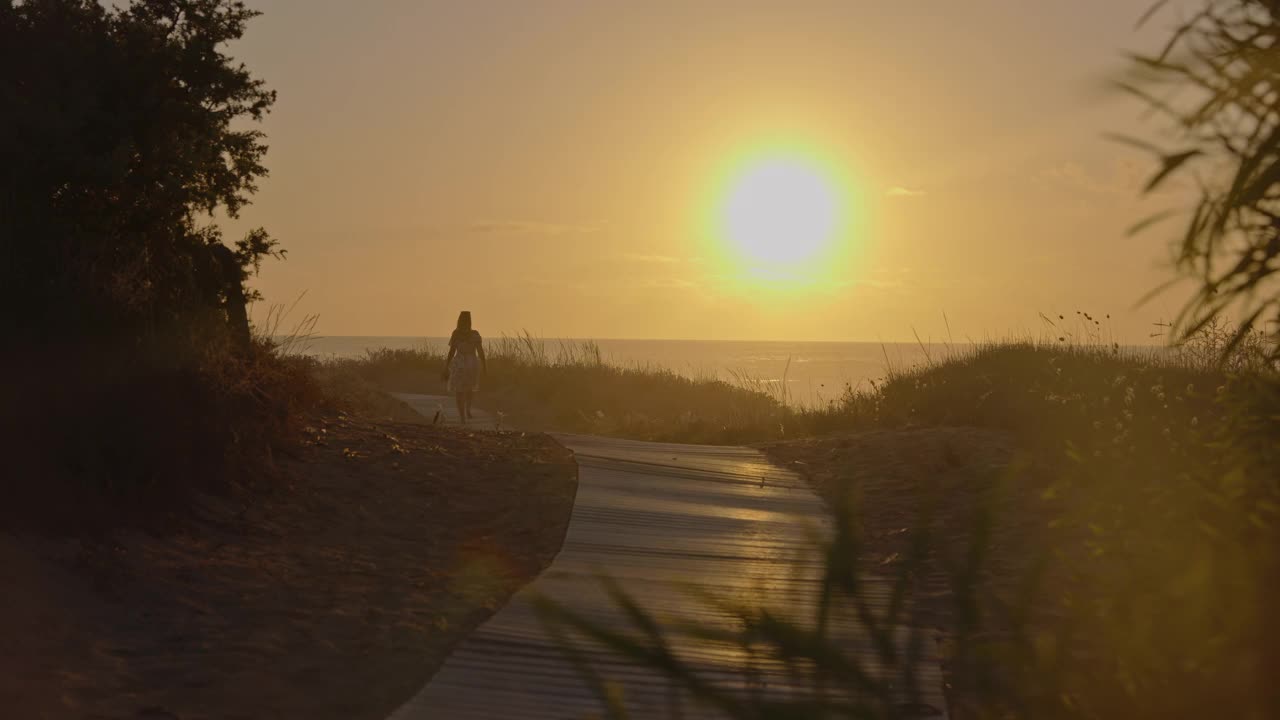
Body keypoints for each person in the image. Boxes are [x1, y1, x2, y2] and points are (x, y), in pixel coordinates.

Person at [442, 311, 486, 424]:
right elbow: (480, 352)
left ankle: (462, 417)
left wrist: (446, 365)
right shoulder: (475, 334)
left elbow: (451, 352)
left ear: (459, 320)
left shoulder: (456, 334)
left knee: (459, 390)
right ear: (470, 320)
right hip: (472, 363)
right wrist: (484, 365)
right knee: (470, 388)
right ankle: (467, 410)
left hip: (460, 364)